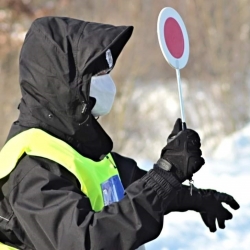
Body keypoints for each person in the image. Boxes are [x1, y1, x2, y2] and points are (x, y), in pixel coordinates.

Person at [0, 16, 238, 250]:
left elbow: (139, 186)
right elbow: (87, 240)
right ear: (61, 84)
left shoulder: (75, 145)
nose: (106, 83)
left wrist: (194, 196)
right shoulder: (31, 167)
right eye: (95, 74)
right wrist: (168, 171)